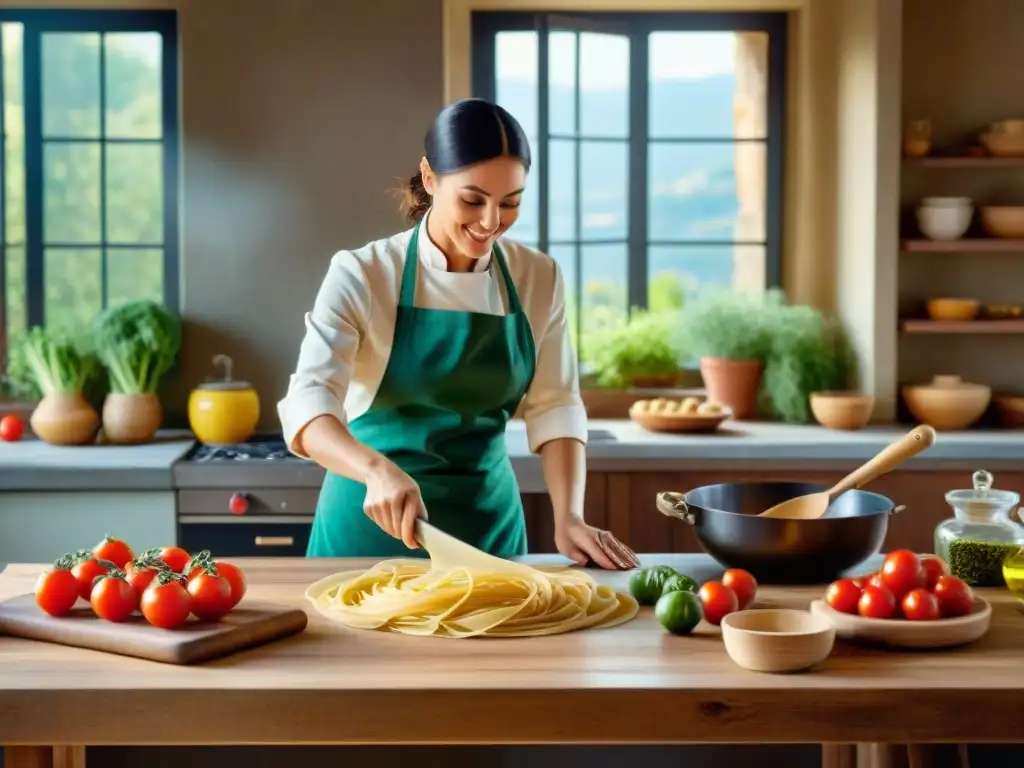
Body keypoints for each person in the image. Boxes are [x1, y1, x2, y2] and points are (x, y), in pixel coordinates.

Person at [277, 97, 639, 570]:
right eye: (472, 200)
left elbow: (556, 405)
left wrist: (569, 516)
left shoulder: (538, 278)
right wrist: (375, 471)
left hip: (488, 536)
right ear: (429, 178)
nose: (491, 222)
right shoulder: (363, 274)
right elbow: (309, 407)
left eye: (510, 203)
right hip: (368, 537)